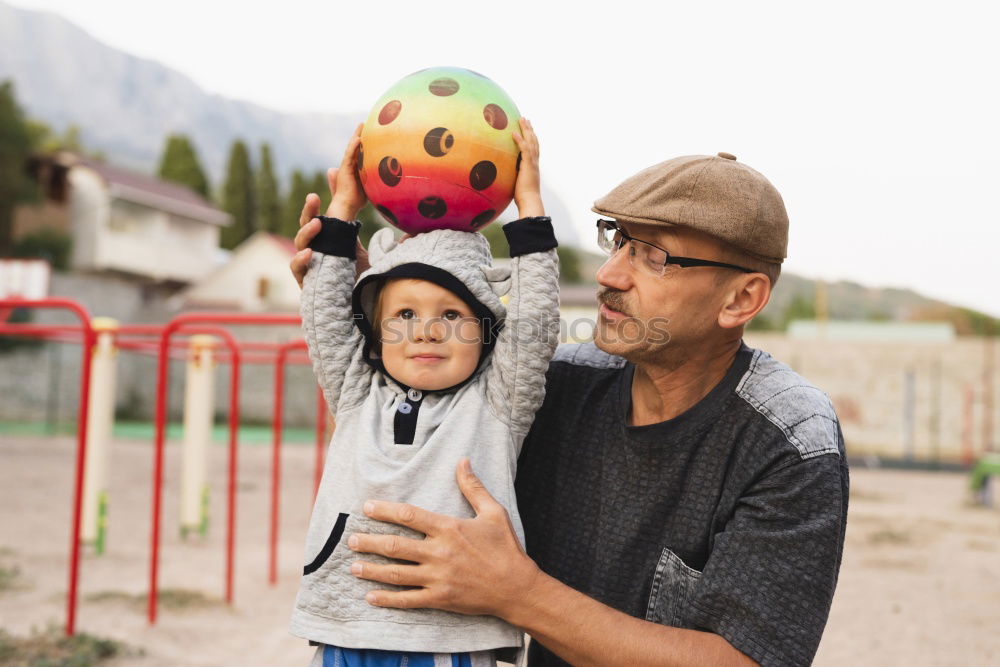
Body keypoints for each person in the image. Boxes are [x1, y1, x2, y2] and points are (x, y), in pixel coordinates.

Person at [290, 151, 849, 667]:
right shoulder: (563, 386)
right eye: (619, 240)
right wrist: (377, 299)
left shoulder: (791, 441)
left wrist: (518, 593)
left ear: (740, 299)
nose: (609, 274)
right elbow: (387, 428)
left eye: (654, 256)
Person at [290, 119, 560, 667]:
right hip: (347, 629)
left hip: (447, 641)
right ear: (376, 328)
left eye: (452, 315)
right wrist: (344, 205)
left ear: (486, 331)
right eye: (405, 314)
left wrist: (528, 203)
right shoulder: (355, 390)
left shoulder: (497, 402)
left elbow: (534, 318)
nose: (427, 330)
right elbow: (323, 311)